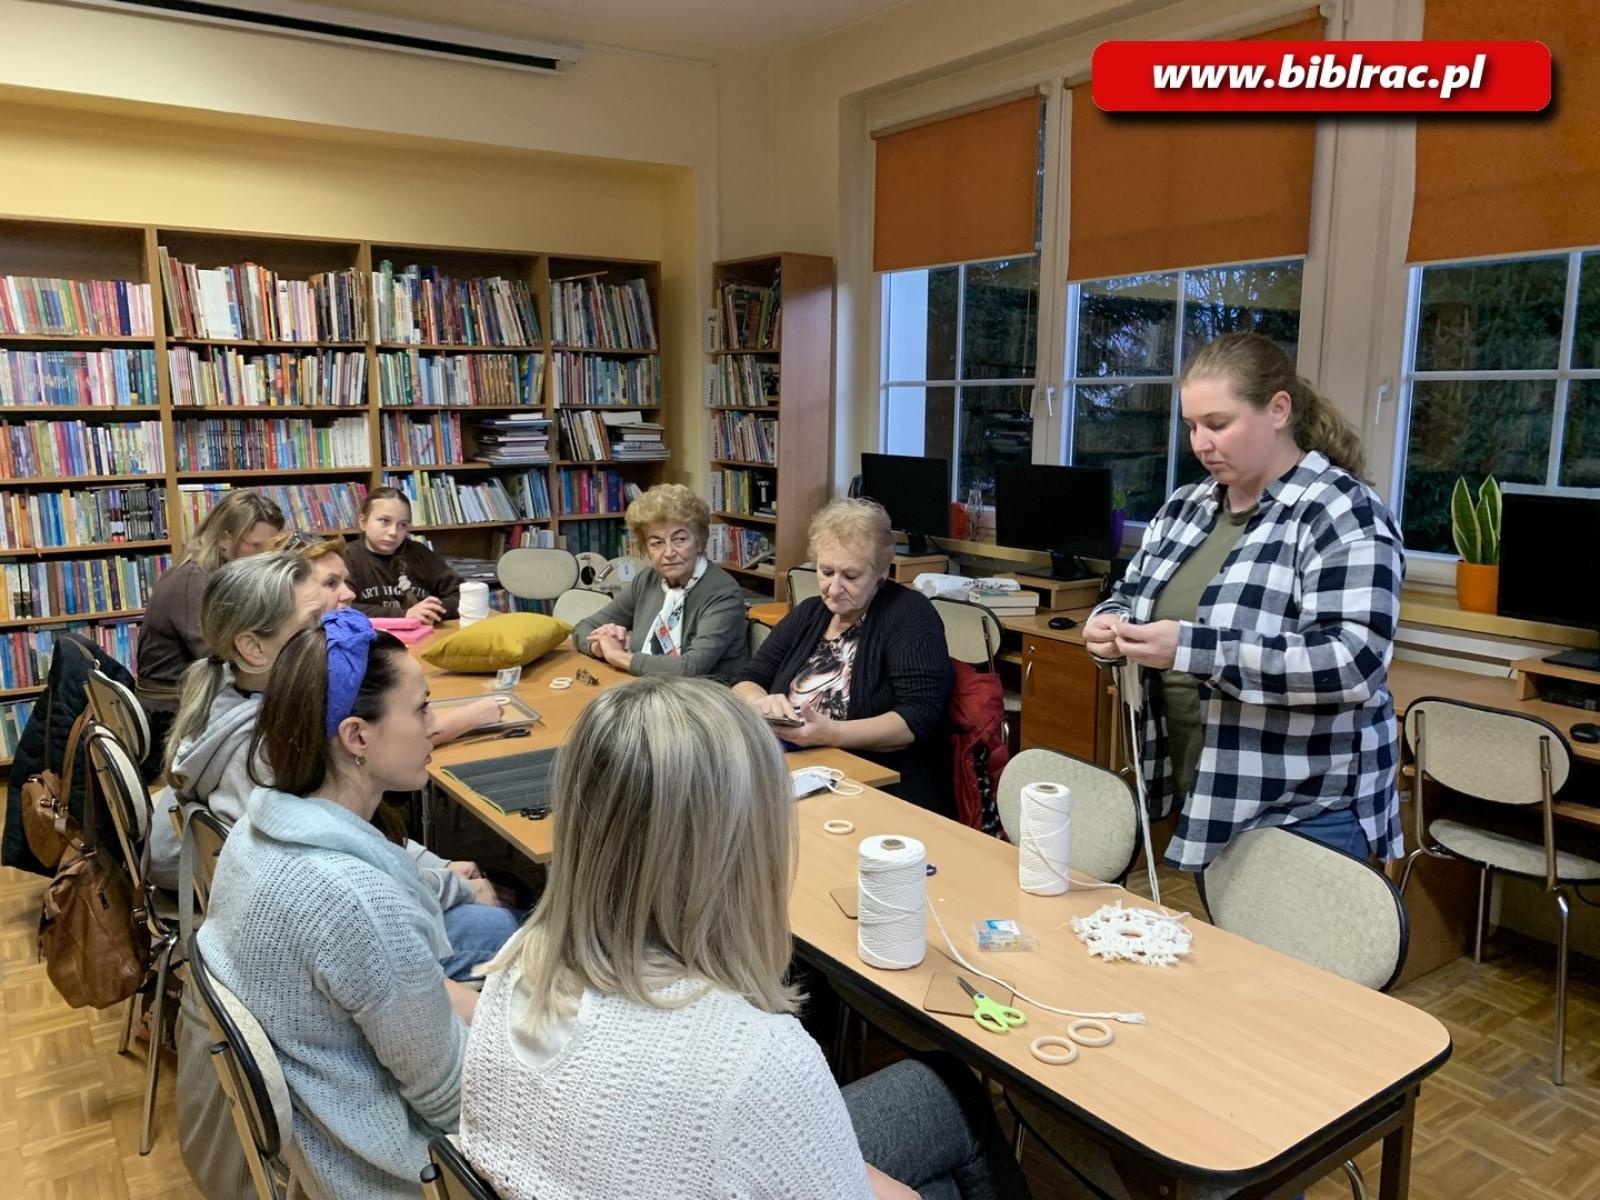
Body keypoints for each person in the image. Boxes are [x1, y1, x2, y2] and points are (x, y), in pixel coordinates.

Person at [460, 677, 1030, 1200]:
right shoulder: (753, 1061)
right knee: (951, 1114)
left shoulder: (515, 965)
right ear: (745, 847)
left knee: (937, 1088)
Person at [1082, 331, 1405, 872]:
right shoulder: (1185, 508)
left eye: (1218, 424)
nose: (1201, 444)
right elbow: (1127, 596)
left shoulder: (1342, 512)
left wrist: (1192, 649)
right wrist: (1107, 627)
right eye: (1192, 426)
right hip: (1208, 789)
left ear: (1278, 410)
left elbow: (1352, 663)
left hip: (1304, 808)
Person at [195, 610, 477, 1199]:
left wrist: (460, 1001)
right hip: (387, 1169)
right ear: (356, 737)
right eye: (422, 709)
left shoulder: (253, 830)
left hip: (323, 1131)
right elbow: (450, 1098)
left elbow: (386, 990)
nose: (434, 726)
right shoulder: (356, 902)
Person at [155, 551, 517, 973]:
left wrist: (434, 867)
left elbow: (358, 840)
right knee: (514, 926)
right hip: (311, 938)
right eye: (314, 625)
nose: (332, 636)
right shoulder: (272, 749)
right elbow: (355, 882)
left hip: (292, 918)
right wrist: (455, 887)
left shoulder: (227, 694)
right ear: (253, 648)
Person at [734, 498, 955, 816]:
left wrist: (833, 734)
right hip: (798, 769)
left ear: (881, 573)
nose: (834, 588)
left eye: (850, 576)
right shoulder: (811, 612)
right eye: (826, 572)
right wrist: (762, 703)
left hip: (879, 784)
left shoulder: (910, 615)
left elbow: (916, 719)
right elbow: (747, 679)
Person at [135, 489, 284, 756]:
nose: (266, 557)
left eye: (272, 546)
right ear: (225, 539)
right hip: (169, 719)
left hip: (190, 705)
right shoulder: (194, 582)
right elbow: (222, 655)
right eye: (257, 546)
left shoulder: (212, 575)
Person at [569, 483, 747, 681]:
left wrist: (619, 657)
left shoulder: (723, 592)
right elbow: (584, 628)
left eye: (680, 539)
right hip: (645, 685)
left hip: (702, 694)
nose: (669, 552)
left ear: (699, 541)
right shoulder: (647, 580)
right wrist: (602, 645)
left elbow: (690, 668)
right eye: (657, 543)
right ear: (646, 549)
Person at [345, 487, 462, 624]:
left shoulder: (420, 553)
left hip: (423, 632)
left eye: (402, 524)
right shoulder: (347, 557)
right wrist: (404, 615)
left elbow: (463, 595)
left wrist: (430, 610)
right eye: (384, 521)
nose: (393, 532)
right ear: (363, 522)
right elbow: (340, 608)